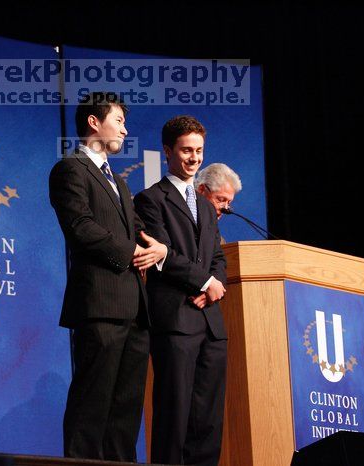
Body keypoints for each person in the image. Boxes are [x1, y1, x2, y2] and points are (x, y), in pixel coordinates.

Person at [48, 91, 167, 461]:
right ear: (93, 122)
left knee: (126, 412)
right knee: (92, 404)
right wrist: (130, 250)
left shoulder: (119, 181)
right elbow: (79, 226)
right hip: (100, 304)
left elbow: (138, 230)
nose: (125, 130)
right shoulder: (70, 169)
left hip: (135, 309)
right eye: (119, 121)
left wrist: (159, 249)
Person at [134, 116, 228, 466]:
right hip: (175, 323)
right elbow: (161, 254)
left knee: (208, 422)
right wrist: (205, 282)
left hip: (211, 326)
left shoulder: (205, 204)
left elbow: (217, 256)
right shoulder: (149, 200)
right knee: (174, 419)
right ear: (168, 151)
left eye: (199, 151)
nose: (194, 158)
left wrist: (214, 287)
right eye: (187, 150)